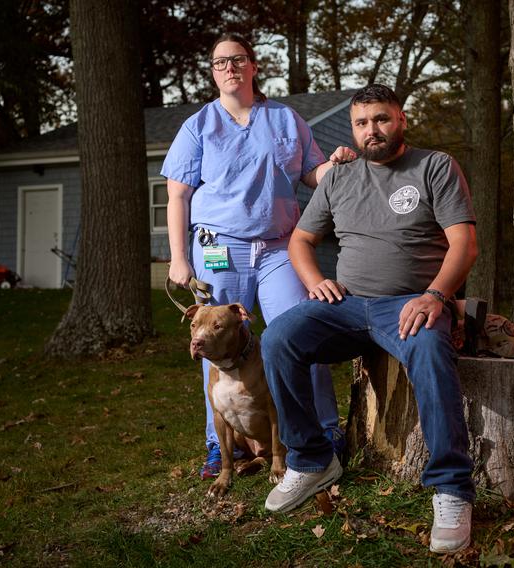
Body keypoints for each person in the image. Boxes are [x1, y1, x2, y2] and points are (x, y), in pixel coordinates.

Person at [260, 84, 477, 554]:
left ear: (400, 119)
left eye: (380, 119)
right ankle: (313, 460)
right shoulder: (339, 177)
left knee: (430, 351)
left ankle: (452, 488)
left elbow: (464, 242)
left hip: (411, 303)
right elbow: (300, 240)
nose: (371, 130)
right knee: (278, 338)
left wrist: (436, 295)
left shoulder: (434, 166)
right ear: (353, 129)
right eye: (361, 122)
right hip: (347, 305)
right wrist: (316, 280)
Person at [161, 33, 351, 480]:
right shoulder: (198, 126)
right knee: (215, 343)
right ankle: (220, 445)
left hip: (278, 246)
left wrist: (335, 166)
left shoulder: (285, 119)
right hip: (218, 246)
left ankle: (323, 430)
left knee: (303, 330)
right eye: (219, 62)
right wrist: (178, 257)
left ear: (253, 66)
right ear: (213, 72)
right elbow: (177, 196)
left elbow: (311, 172)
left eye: (237, 59)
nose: (229, 67)